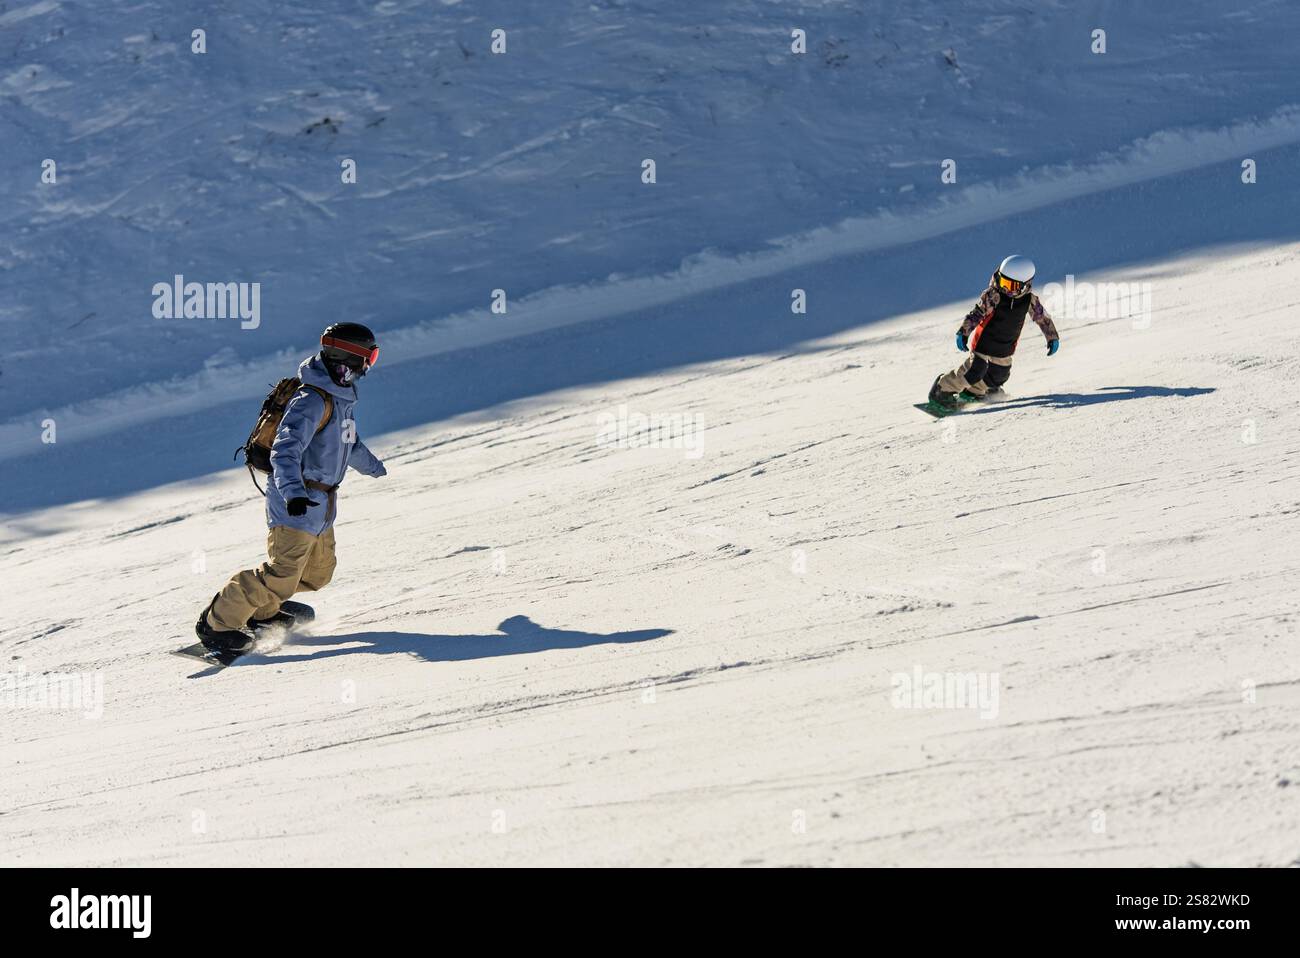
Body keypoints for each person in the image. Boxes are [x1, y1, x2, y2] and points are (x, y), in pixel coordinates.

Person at [196, 322, 388, 653]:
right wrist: (293, 493)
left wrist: (374, 467)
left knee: (318, 573)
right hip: (296, 500)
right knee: (282, 572)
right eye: (369, 358)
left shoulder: (340, 399)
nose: (368, 368)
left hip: (322, 504)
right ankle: (218, 623)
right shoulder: (311, 401)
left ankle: (264, 611)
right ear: (349, 357)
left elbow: (349, 443)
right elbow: (285, 450)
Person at [928, 255, 1060, 407]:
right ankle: (942, 388)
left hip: (1005, 346)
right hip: (985, 342)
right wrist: (963, 332)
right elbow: (977, 314)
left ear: (1025, 285)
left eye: (1010, 285)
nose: (1004, 287)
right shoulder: (994, 295)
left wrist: (1052, 337)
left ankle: (974, 392)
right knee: (974, 370)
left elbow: (1042, 318)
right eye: (1003, 281)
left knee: (999, 375)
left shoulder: (1029, 300)